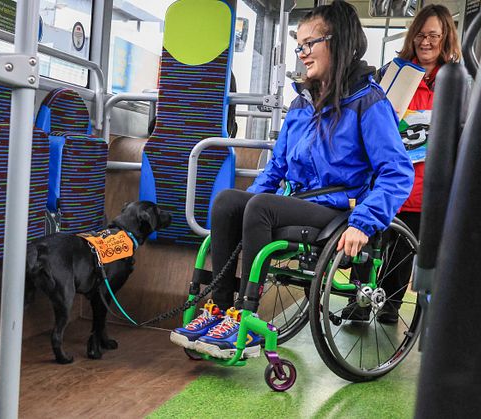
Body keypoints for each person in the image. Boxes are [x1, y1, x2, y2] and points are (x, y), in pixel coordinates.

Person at [169, 0, 414, 359]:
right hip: (301, 203)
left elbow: (396, 172)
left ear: (338, 41)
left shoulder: (368, 102)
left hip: (340, 211)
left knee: (262, 207)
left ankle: (246, 320)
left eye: (307, 44)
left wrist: (364, 223)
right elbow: (276, 168)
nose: (301, 54)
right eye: (298, 45)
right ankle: (221, 308)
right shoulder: (301, 103)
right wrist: (246, 202)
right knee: (227, 202)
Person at [375, 3, 461, 324]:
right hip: (391, 180)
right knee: (372, 246)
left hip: (429, 184)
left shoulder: (453, 81)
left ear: (445, 38)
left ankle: (394, 306)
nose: (426, 42)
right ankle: (366, 298)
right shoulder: (394, 75)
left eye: (434, 36)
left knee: (408, 251)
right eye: (421, 35)